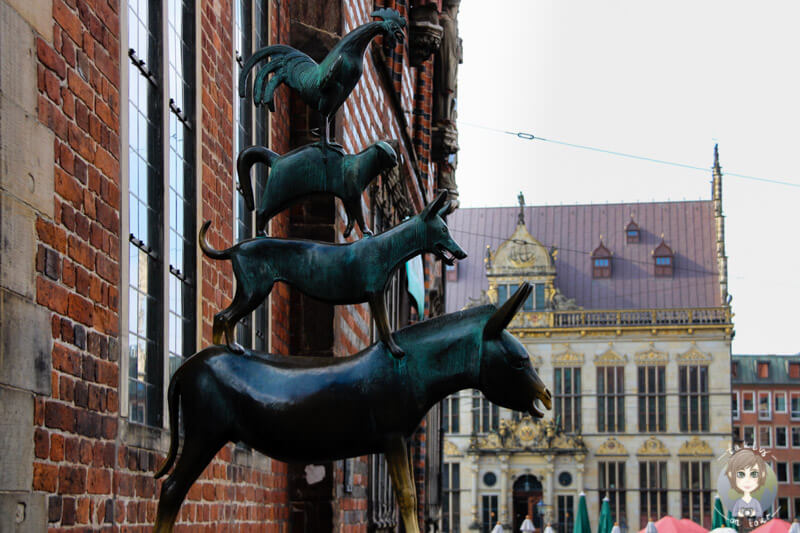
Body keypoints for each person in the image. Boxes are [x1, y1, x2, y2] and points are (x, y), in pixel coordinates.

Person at [725, 448, 767, 518]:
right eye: (741, 474)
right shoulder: (738, 502)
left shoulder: (755, 502)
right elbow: (734, 514)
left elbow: (759, 513)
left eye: (754, 474)